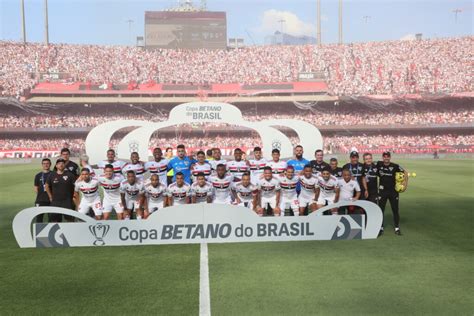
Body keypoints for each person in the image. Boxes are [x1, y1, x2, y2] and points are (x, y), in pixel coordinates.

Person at [376, 152, 408, 236]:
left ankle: (397, 227)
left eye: (388, 157)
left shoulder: (395, 166)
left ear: (390, 157)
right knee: (381, 210)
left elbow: (405, 172)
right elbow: (369, 165)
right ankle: (380, 228)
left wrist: (405, 185)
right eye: (385, 157)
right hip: (382, 191)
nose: (386, 158)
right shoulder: (378, 164)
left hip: (393, 192)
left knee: (395, 210)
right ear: (382, 157)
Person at [45, 158, 77, 222]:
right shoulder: (52, 175)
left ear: (65, 165)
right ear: (56, 165)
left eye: (62, 163)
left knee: (70, 220)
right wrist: (50, 196)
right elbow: (47, 186)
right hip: (55, 201)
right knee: (55, 221)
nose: (61, 165)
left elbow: (76, 186)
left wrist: (74, 197)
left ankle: (70, 232)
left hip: (67, 201)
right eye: (59, 164)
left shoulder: (70, 175)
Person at [33, 158, 52, 223]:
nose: (46, 165)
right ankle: (39, 233)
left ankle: (52, 233)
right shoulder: (38, 175)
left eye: (47, 163)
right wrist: (41, 196)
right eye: (44, 164)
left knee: (52, 218)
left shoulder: (53, 174)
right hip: (40, 200)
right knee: (39, 218)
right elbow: (36, 188)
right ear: (42, 165)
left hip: (51, 200)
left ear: (50, 164)